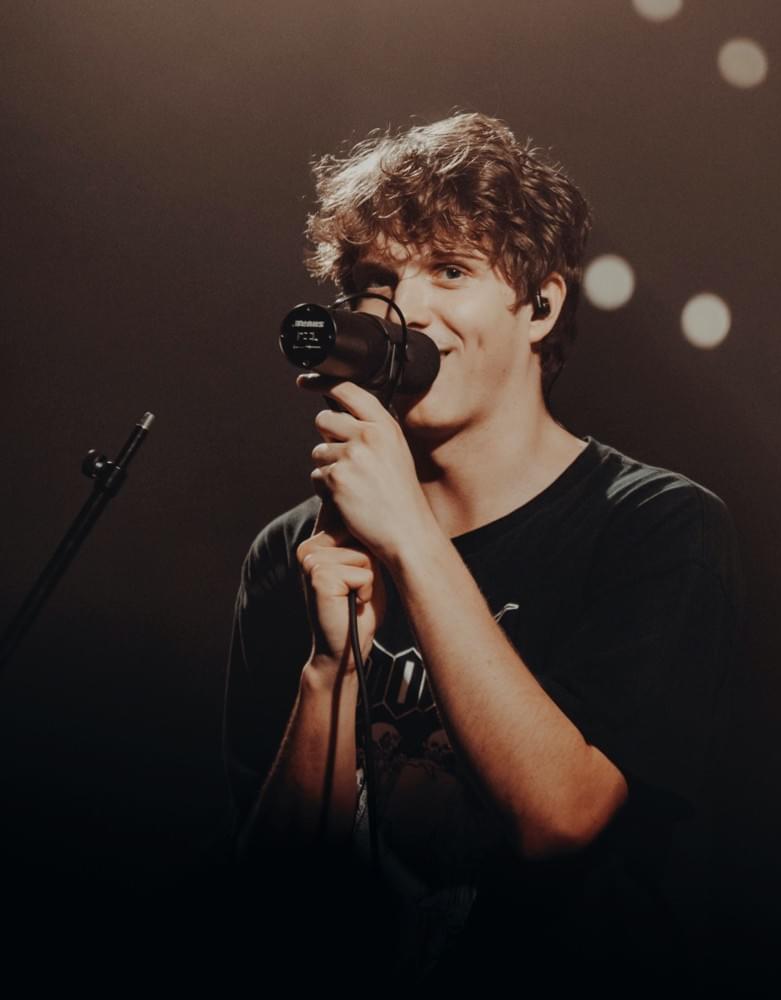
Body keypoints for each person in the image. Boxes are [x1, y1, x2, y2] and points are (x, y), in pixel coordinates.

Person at [223, 112, 741, 986]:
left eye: (450, 271)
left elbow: (563, 819)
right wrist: (329, 671)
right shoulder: (292, 552)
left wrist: (411, 538)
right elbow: (273, 908)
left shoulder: (655, 524)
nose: (409, 312)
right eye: (378, 281)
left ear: (540, 305)